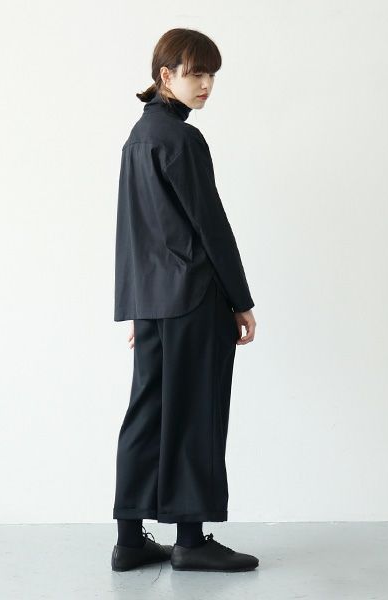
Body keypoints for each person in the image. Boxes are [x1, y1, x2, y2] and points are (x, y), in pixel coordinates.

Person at [111, 28, 259, 573]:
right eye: (195, 73)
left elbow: (134, 232)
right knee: (195, 414)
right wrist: (240, 299)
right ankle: (190, 542)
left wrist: (137, 304)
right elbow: (210, 225)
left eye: (211, 74)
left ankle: (130, 541)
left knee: (147, 415)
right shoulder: (181, 139)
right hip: (195, 298)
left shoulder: (137, 137)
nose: (206, 85)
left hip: (154, 299)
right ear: (165, 76)